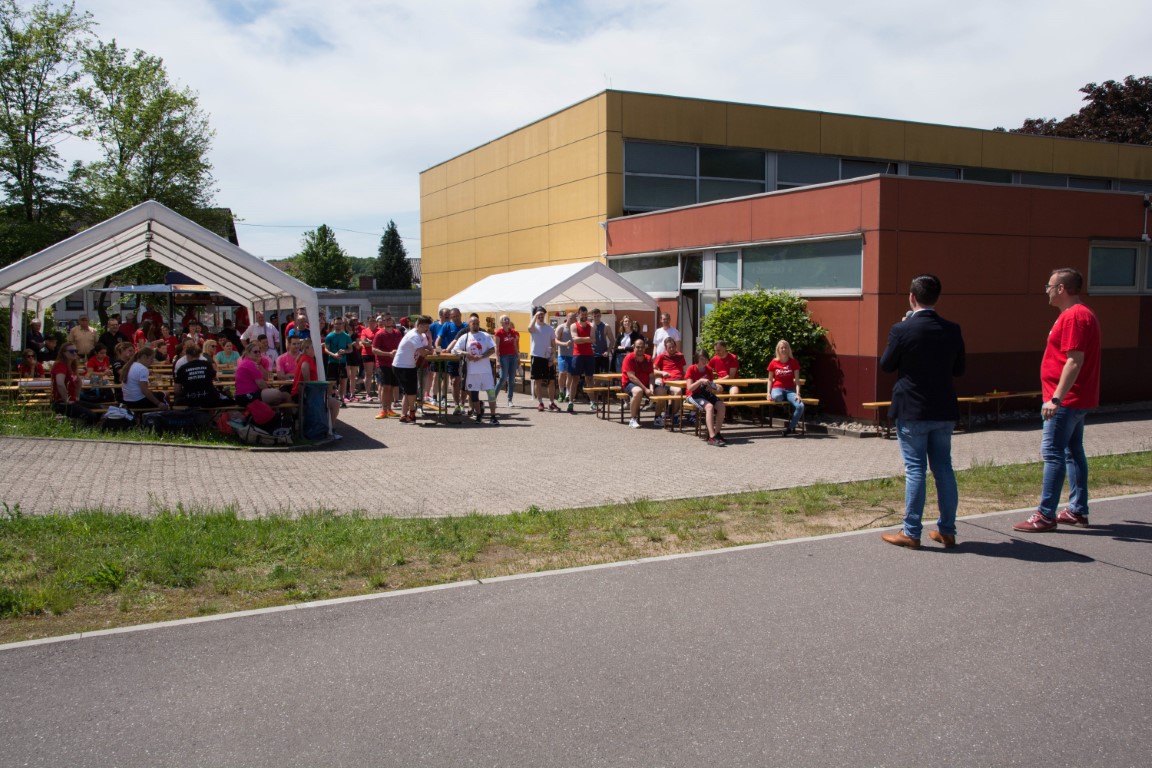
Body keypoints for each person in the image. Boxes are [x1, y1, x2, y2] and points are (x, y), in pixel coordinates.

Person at [878, 274, 966, 550]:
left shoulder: (902, 329)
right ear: (937, 297)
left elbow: (886, 364)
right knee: (943, 468)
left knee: (915, 469)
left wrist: (902, 333)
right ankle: (947, 531)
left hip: (912, 409)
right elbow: (959, 369)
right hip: (943, 408)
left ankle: (911, 532)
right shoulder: (952, 329)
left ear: (912, 297)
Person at [1013, 268, 1103, 533]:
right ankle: (1077, 510)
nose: (1047, 291)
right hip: (1074, 399)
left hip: (1067, 400)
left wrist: (1056, 398)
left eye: (1049, 286)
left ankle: (1045, 515)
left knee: (1053, 454)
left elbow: (1074, 360)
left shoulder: (1075, 316)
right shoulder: (1078, 314)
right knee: (1073, 452)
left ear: (1061, 288)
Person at [452, 314, 499, 424]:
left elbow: (492, 349)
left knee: (491, 393)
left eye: (477, 323)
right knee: (474, 395)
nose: (476, 325)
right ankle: (478, 415)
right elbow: (455, 350)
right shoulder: (465, 337)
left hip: (486, 371)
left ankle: (493, 416)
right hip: (472, 372)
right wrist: (466, 354)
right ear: (469, 324)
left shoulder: (485, 335)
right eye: (473, 323)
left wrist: (481, 356)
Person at [292, 338, 341, 429]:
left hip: (305, 393)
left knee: (334, 401)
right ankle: (329, 429)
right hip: (302, 394)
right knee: (335, 404)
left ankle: (328, 428)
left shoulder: (307, 358)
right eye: (313, 348)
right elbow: (307, 381)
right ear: (306, 349)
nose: (316, 350)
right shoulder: (306, 359)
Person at [394, 315, 434, 424]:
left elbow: (428, 348)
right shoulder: (413, 335)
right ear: (420, 325)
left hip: (409, 365)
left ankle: (404, 415)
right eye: (426, 327)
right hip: (402, 366)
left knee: (408, 392)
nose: (427, 329)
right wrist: (429, 351)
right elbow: (423, 352)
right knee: (411, 392)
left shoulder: (421, 335)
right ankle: (411, 413)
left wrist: (430, 339)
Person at [50, 344, 99, 423]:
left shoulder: (72, 365)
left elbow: (79, 382)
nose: (75, 353)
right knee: (90, 416)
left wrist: (77, 396)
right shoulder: (60, 365)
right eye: (71, 351)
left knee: (99, 409)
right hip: (60, 402)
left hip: (72, 400)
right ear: (63, 353)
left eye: (76, 351)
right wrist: (66, 400)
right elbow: (60, 384)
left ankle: (85, 427)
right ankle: (81, 429)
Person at [686, 350, 726, 445]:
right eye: (701, 359)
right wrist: (700, 381)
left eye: (705, 359)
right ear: (697, 359)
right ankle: (711, 437)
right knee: (709, 407)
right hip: (693, 395)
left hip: (705, 393)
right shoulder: (691, 369)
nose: (704, 361)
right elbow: (689, 388)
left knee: (721, 406)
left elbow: (710, 386)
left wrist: (715, 388)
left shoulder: (708, 369)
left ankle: (717, 433)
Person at [767, 339, 805, 436]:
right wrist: (768, 393)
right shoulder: (773, 362)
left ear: (789, 349)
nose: (784, 349)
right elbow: (770, 380)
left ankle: (790, 428)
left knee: (800, 406)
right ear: (778, 349)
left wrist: (798, 394)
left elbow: (797, 381)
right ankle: (782, 399)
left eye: (786, 348)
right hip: (777, 388)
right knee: (777, 396)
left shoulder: (794, 362)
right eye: (782, 348)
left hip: (790, 390)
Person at [235, 342, 288, 407]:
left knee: (280, 395)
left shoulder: (247, 362)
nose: (258, 353)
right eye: (255, 352)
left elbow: (266, 378)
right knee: (279, 395)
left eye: (259, 352)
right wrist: (270, 389)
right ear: (248, 353)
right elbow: (261, 384)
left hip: (243, 396)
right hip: (247, 396)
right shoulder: (250, 364)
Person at [372, 312, 403, 419]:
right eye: (386, 319)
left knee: (393, 387)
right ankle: (384, 410)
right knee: (386, 387)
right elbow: (374, 349)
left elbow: (401, 346)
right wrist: (388, 354)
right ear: (382, 322)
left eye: (389, 319)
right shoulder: (379, 334)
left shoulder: (397, 333)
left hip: (395, 363)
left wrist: (397, 351)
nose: (388, 321)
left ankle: (389, 409)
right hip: (383, 364)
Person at [651, 336, 687, 429]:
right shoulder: (662, 356)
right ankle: (671, 414)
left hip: (680, 381)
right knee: (678, 391)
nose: (671, 349)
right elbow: (653, 370)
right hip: (669, 382)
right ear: (665, 348)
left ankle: (673, 414)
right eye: (669, 347)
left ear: (676, 346)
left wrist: (688, 377)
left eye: (673, 347)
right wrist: (662, 373)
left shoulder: (680, 356)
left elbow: (682, 370)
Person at [529, 306, 560, 412]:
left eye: (542, 314)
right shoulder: (534, 327)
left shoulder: (549, 328)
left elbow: (553, 344)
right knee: (538, 380)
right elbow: (529, 328)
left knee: (551, 381)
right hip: (536, 356)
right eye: (539, 314)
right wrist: (535, 316)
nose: (541, 316)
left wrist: (552, 357)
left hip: (548, 357)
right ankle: (540, 402)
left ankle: (551, 403)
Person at [121, 347, 169, 412]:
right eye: (151, 358)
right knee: (166, 393)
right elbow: (144, 390)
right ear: (144, 357)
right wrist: (158, 403)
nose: (152, 362)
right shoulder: (143, 369)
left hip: (127, 401)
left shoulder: (130, 365)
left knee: (155, 393)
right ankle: (167, 414)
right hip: (138, 401)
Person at [568, 307, 597, 412]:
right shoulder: (573, 325)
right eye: (582, 314)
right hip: (578, 355)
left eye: (585, 314)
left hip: (589, 355)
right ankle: (571, 402)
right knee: (575, 379)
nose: (584, 316)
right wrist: (587, 339)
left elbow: (593, 340)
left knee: (589, 379)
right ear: (578, 314)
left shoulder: (591, 325)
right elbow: (575, 339)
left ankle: (592, 402)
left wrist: (582, 339)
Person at [621, 338, 654, 429]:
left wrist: (651, 388)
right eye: (638, 347)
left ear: (645, 348)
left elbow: (651, 376)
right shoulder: (629, 358)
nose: (640, 349)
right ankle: (632, 419)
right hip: (629, 383)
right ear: (634, 347)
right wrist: (645, 389)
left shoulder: (648, 358)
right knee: (638, 391)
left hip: (646, 384)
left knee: (661, 390)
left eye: (642, 347)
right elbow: (632, 377)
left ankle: (658, 417)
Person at [436, 307, 464, 412]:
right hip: (452, 358)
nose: (455, 318)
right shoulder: (447, 325)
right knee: (455, 381)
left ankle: (463, 403)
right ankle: (457, 404)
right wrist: (439, 351)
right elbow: (438, 341)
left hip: (464, 358)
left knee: (464, 382)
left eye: (457, 316)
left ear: (460, 315)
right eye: (453, 317)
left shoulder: (466, 326)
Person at [322, 318, 353, 406]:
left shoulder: (346, 336)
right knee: (331, 381)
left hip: (342, 362)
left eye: (340, 323)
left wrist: (344, 351)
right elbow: (326, 349)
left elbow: (350, 349)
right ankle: (330, 398)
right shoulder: (329, 336)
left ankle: (342, 398)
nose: (338, 325)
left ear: (343, 324)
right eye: (337, 324)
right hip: (332, 361)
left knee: (343, 380)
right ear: (334, 324)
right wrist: (334, 355)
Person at [494, 314, 520, 408]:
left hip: (513, 356)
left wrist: (518, 357)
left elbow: (515, 345)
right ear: (501, 322)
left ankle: (510, 400)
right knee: (502, 378)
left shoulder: (514, 332)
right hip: (503, 357)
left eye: (508, 319)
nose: (507, 320)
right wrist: (497, 360)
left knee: (512, 380)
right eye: (505, 319)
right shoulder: (498, 333)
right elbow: (496, 347)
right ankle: (493, 398)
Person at [554, 311, 575, 406]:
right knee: (562, 373)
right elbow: (555, 340)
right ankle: (561, 392)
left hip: (573, 355)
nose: (573, 320)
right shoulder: (561, 327)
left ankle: (567, 393)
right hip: (562, 354)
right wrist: (565, 344)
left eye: (574, 318)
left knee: (570, 374)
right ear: (567, 317)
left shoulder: (575, 328)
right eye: (571, 318)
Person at [359, 316, 378, 402]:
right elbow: (364, 342)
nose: (372, 322)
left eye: (374, 321)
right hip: (367, 354)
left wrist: (370, 342)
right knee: (368, 374)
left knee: (378, 373)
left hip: (377, 354)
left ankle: (380, 393)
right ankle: (368, 393)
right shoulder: (364, 331)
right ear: (367, 322)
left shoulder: (379, 330)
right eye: (371, 321)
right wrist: (373, 344)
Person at [590, 308, 615, 375]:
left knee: (604, 376)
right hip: (593, 355)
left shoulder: (606, 326)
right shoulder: (589, 326)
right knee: (594, 376)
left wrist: (608, 351)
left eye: (598, 316)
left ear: (600, 316)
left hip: (604, 355)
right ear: (592, 316)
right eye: (595, 316)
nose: (596, 318)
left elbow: (612, 340)